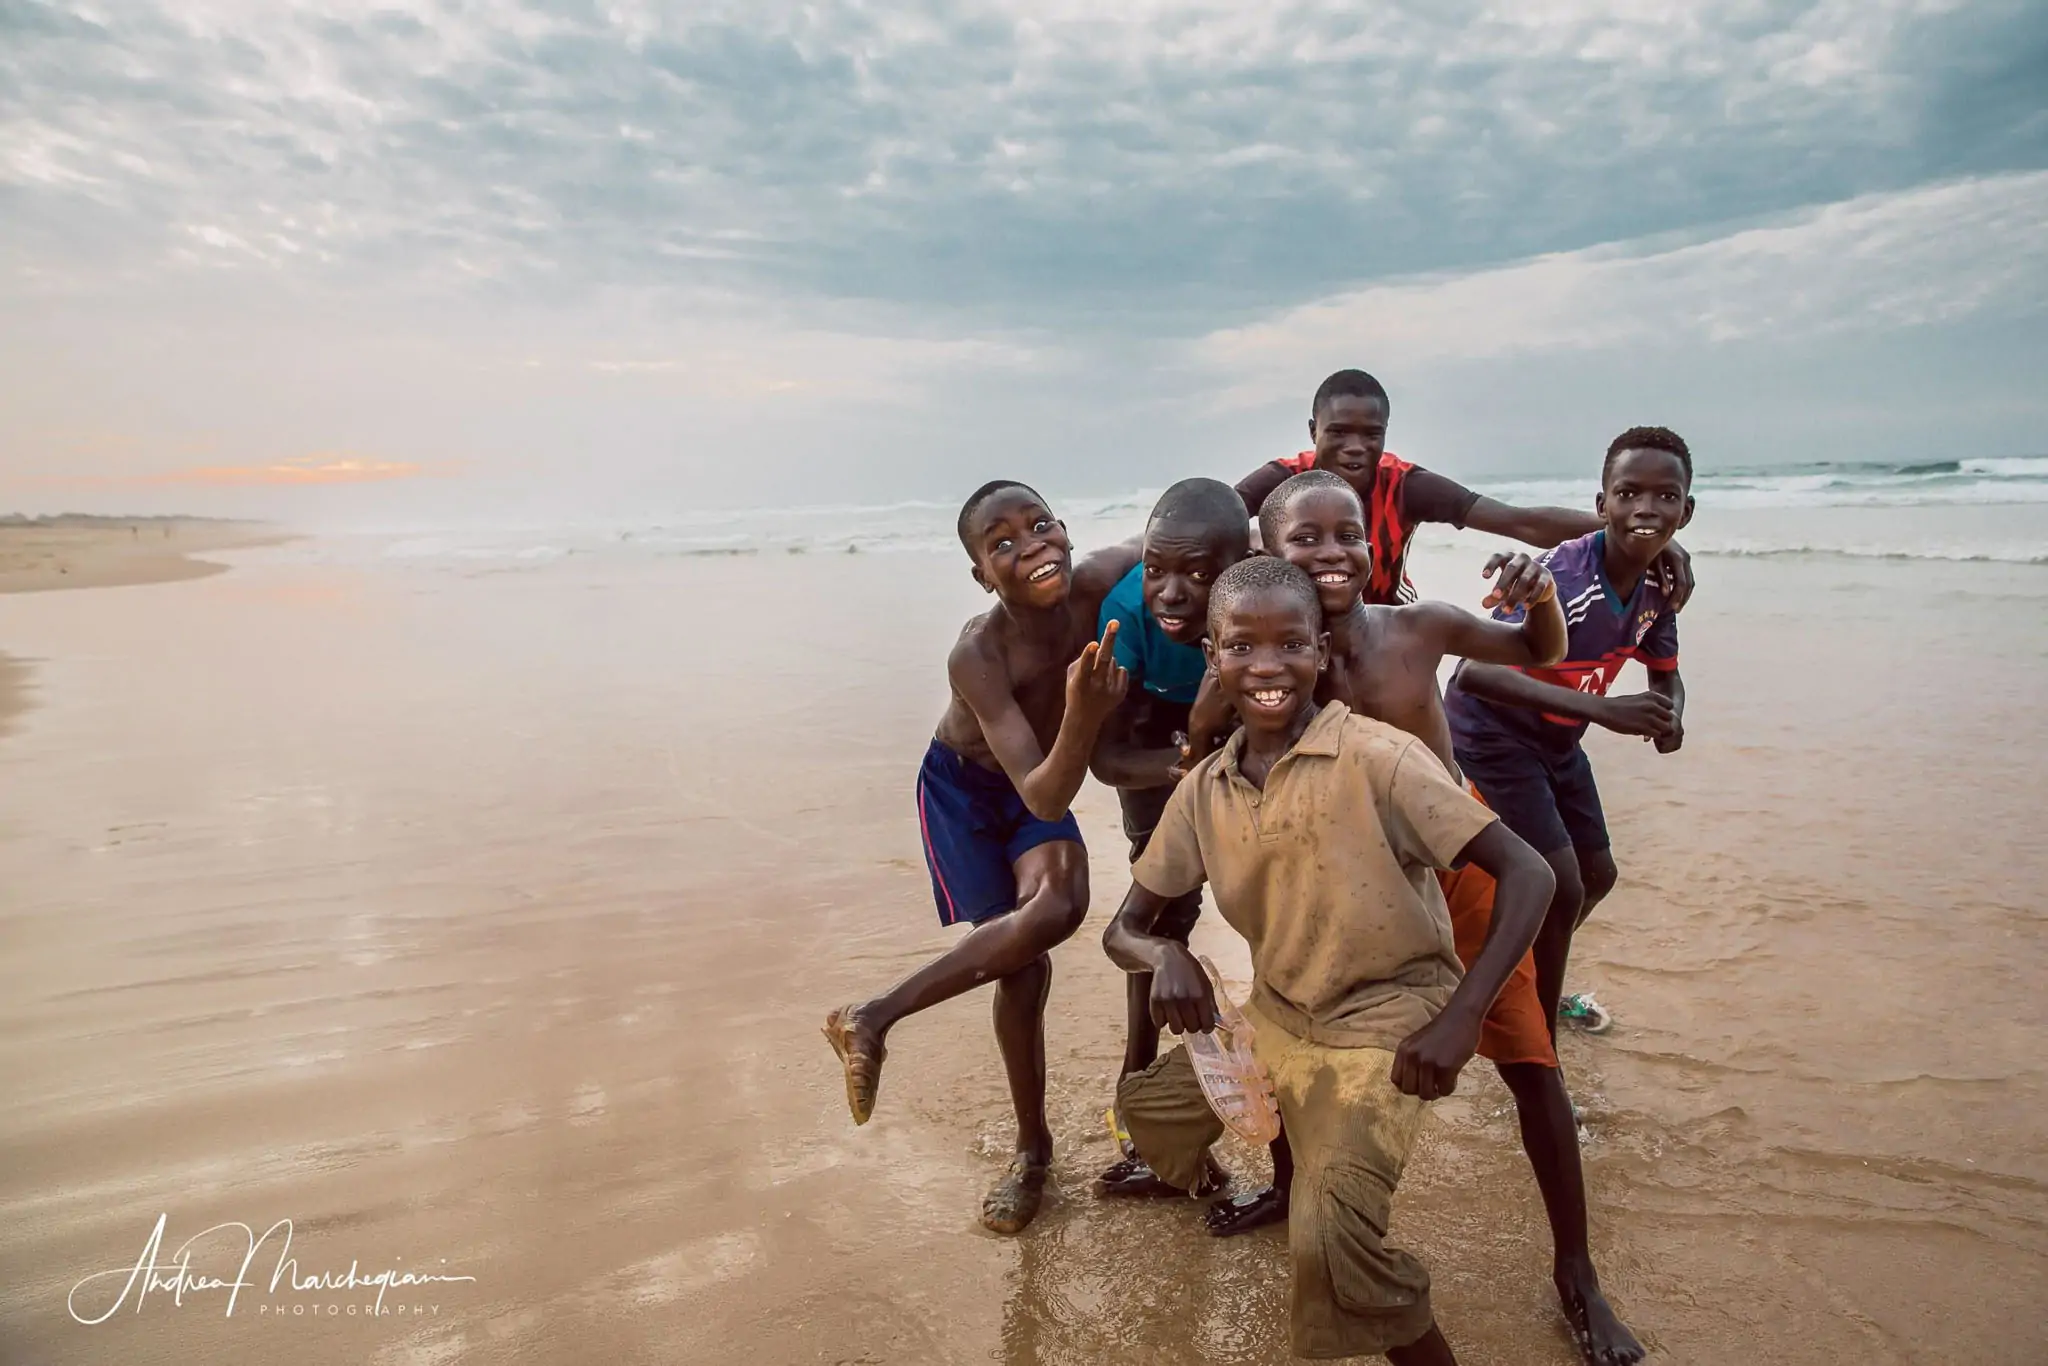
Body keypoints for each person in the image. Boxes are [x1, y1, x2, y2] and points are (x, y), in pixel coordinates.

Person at [1104, 557, 1556, 1364]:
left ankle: (1331, 1207)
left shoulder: (1379, 758)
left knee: (1331, 1246)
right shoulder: (1204, 789)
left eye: (1290, 644)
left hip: (1388, 1018)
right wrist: (1162, 951)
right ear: (1213, 658)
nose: (1268, 666)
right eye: (1242, 647)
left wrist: (1462, 1021)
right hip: (1281, 1014)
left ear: (1321, 652)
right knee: (1149, 1115)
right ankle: (1250, 1159)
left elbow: (1531, 873)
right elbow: (1124, 927)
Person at [1263, 469, 1647, 1366]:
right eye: (1304, 539)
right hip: (1346, 893)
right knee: (1295, 1049)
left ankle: (1578, 1276)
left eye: (1347, 534)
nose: (1331, 554)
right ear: (1267, 555)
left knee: (1529, 1061)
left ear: (1374, 544)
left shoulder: (1415, 627)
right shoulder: (1275, 662)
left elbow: (1531, 646)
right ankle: (1288, 1194)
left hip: (1458, 867)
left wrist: (1543, 593)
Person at [823, 480, 1137, 1235]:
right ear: (980, 576)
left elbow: (1196, 532)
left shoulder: (1100, 580)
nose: (1029, 544)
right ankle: (1032, 1153)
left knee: (1057, 909)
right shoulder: (978, 653)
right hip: (968, 793)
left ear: (1065, 529)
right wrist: (1086, 716)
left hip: (1033, 783)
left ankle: (873, 1016)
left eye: (1038, 524)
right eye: (1001, 543)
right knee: (1021, 967)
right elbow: (1046, 797)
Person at [1443, 427, 1692, 1359]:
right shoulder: (1560, 572)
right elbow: (1473, 669)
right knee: (1550, 880)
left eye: (1664, 499)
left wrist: (1670, 711)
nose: (1645, 511)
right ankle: (1533, 1025)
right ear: (1601, 502)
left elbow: (1661, 658)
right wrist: (1608, 711)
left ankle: (1537, 1006)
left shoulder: (1662, 581)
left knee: (1600, 875)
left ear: (1685, 512)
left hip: (1558, 737)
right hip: (1493, 729)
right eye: (1628, 494)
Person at [1082, 478, 1261, 1215]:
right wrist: (1183, 766)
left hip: (1247, 715)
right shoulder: (1127, 617)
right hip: (1158, 736)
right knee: (1158, 919)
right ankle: (1137, 1077)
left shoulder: (1264, 594)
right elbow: (1106, 760)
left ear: (1241, 564)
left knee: (1264, 894)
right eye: (1159, 568)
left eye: (1197, 573)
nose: (1174, 592)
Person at [1233, 369, 1693, 609]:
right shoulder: (1284, 478)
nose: (1356, 448)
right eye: (1339, 433)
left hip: (1381, 611)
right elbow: (1212, 520)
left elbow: (1518, 521)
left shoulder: (1406, 486)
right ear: (1314, 430)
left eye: (1370, 435)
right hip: (1298, 615)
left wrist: (1634, 538)